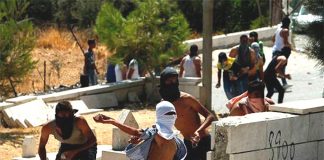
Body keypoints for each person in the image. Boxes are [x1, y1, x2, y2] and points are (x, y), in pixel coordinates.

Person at [93, 101, 187, 160]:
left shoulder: (158, 135)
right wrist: (141, 140)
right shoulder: (176, 141)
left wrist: (113, 122)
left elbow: (136, 132)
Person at [159, 67, 216, 160]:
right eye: (169, 81)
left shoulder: (187, 99)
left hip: (203, 141)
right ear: (163, 82)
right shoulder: (163, 105)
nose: (172, 83)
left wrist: (198, 131)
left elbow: (210, 116)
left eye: (174, 80)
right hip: (187, 144)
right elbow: (162, 126)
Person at [272, 17, 292, 89]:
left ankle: (284, 83)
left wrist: (277, 44)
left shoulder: (278, 29)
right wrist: (291, 46)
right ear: (289, 23)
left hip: (275, 50)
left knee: (279, 68)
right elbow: (285, 42)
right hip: (281, 51)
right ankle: (277, 85)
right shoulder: (285, 30)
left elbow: (273, 39)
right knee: (280, 68)